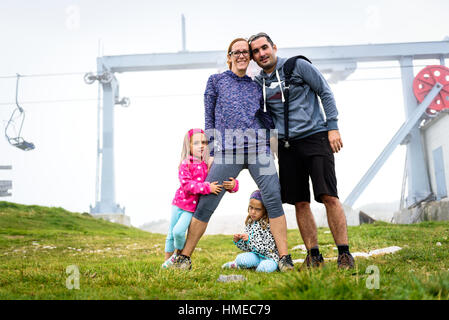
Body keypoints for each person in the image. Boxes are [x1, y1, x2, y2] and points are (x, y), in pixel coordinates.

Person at [172, 38, 294, 271]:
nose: (241, 55)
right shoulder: (216, 81)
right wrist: (211, 152)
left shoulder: (256, 85)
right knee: (206, 202)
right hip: (227, 152)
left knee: (274, 198)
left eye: (245, 52)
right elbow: (209, 116)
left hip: (259, 148)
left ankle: (284, 258)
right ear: (228, 57)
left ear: (249, 57)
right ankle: (184, 258)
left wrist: (274, 141)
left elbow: (266, 116)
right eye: (236, 52)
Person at [248, 32, 355, 269]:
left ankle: (344, 254)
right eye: (255, 51)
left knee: (329, 196)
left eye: (264, 48)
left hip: (315, 137)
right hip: (286, 147)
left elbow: (325, 92)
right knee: (300, 202)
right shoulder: (259, 83)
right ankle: (313, 255)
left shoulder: (299, 65)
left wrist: (333, 127)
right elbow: (259, 115)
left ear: (274, 47)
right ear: (253, 57)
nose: (261, 54)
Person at [162, 128, 239, 268]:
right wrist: (207, 188)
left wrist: (234, 185)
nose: (201, 145)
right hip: (178, 204)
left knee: (178, 232)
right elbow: (186, 185)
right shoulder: (186, 163)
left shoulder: (208, 164)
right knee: (171, 234)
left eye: (204, 142)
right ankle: (166, 264)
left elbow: (221, 178)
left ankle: (176, 256)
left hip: (191, 209)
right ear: (189, 146)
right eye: (196, 143)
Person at [222, 190, 279, 273]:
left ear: (265, 210)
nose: (253, 212)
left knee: (263, 269)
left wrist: (250, 240)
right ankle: (237, 264)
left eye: (258, 209)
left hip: (270, 257)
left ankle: (251, 267)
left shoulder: (268, 224)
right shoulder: (250, 223)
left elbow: (268, 248)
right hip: (255, 256)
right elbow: (248, 248)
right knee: (240, 259)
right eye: (251, 207)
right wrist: (239, 241)